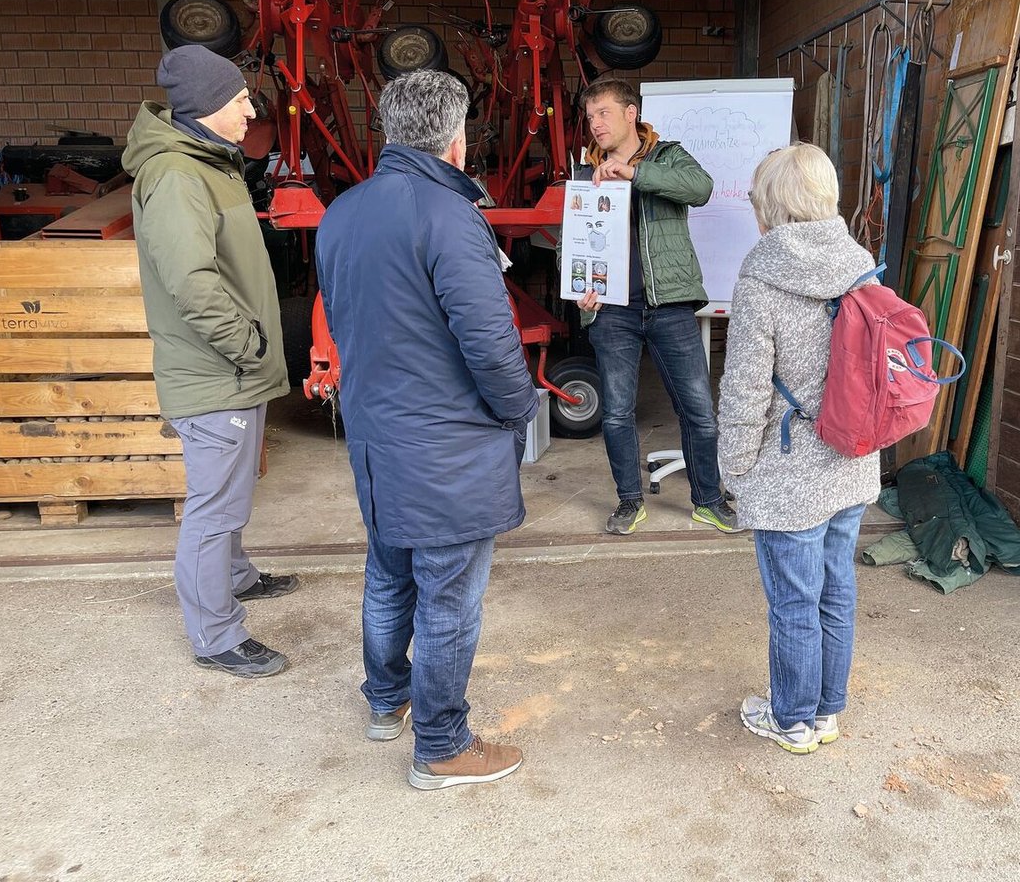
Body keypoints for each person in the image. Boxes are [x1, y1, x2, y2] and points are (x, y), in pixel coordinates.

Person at [316, 70, 541, 791]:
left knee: (388, 573)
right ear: (457, 137)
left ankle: (387, 702)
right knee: (448, 597)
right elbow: (489, 338)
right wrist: (520, 409)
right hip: (447, 444)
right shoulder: (448, 215)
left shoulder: (342, 213)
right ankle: (442, 745)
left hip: (378, 435)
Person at [122, 45, 297, 679]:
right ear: (205, 109)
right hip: (216, 371)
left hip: (230, 370)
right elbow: (191, 281)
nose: (251, 109)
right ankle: (216, 635)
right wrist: (246, 344)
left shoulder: (208, 162)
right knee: (213, 506)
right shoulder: (175, 175)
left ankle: (237, 577)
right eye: (239, 101)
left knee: (231, 490)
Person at [717, 143, 881, 753]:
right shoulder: (858, 261)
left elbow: (744, 388)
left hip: (789, 471)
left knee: (793, 600)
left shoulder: (763, 274)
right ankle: (826, 712)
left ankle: (790, 719)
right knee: (836, 587)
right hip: (854, 456)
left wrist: (733, 468)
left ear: (772, 208)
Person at [575, 78, 739, 536]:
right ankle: (630, 501)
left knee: (699, 411)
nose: (595, 123)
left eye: (603, 113)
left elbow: (700, 188)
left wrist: (634, 174)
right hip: (611, 311)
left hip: (669, 304)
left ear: (631, 113)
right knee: (616, 413)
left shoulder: (667, 157)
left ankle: (708, 499)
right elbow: (573, 241)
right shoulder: (585, 171)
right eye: (589, 117)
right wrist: (580, 289)